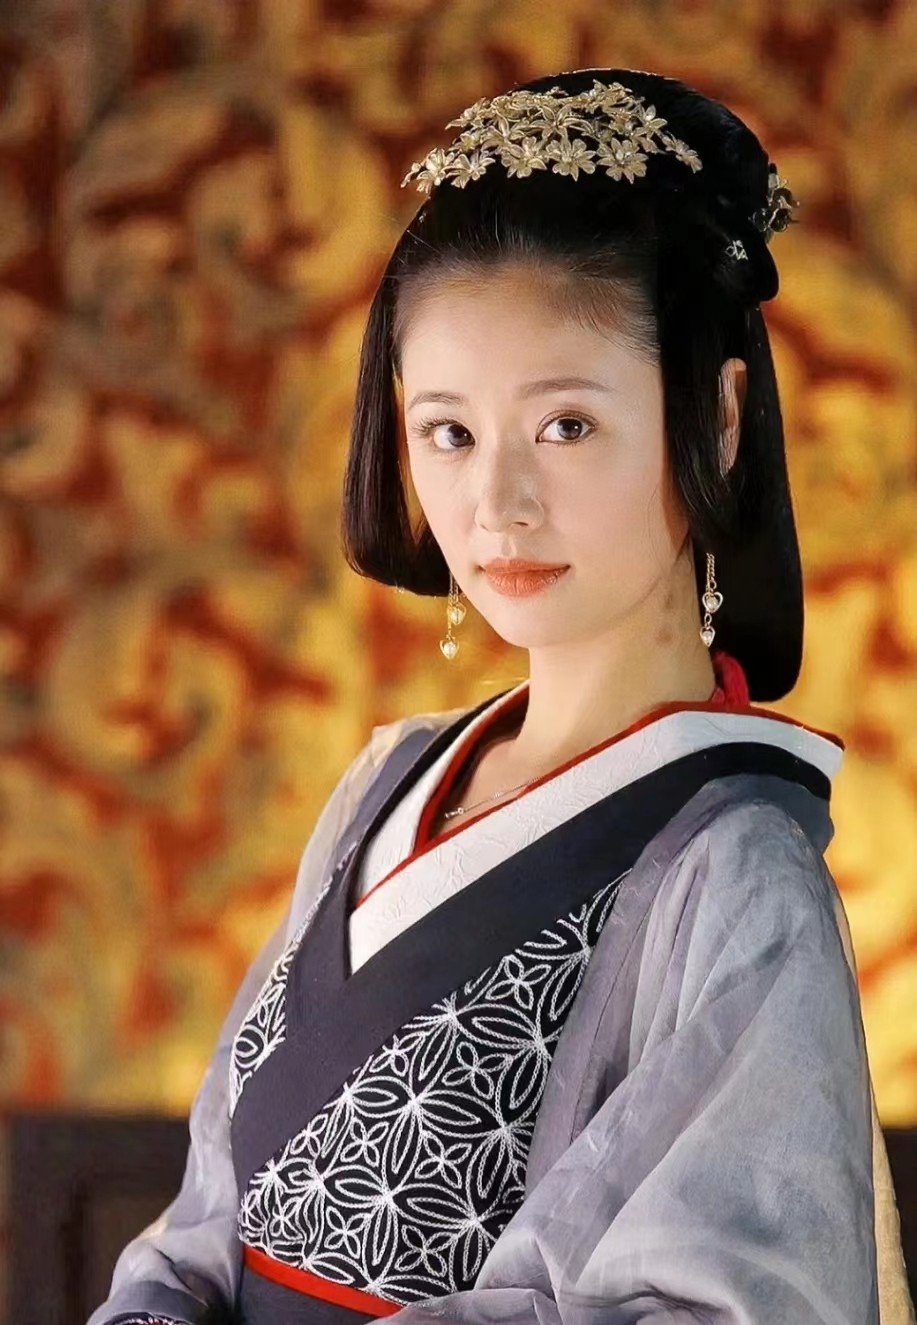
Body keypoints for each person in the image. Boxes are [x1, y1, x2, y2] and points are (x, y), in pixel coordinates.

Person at [88, 68, 914, 1325]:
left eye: (565, 425)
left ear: (716, 416)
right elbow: (209, 1217)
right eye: (449, 432)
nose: (496, 505)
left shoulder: (734, 871)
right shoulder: (383, 786)